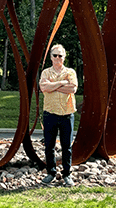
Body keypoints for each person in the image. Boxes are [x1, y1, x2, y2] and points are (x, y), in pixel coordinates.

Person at [39, 44, 78, 186]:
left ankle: (67, 174)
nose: (57, 58)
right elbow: (43, 87)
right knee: (49, 146)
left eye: (60, 55)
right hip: (50, 114)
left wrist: (53, 86)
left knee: (66, 146)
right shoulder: (45, 73)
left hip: (67, 114)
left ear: (64, 57)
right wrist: (62, 83)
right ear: (50, 57)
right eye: (55, 55)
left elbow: (73, 88)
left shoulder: (70, 72)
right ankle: (51, 173)